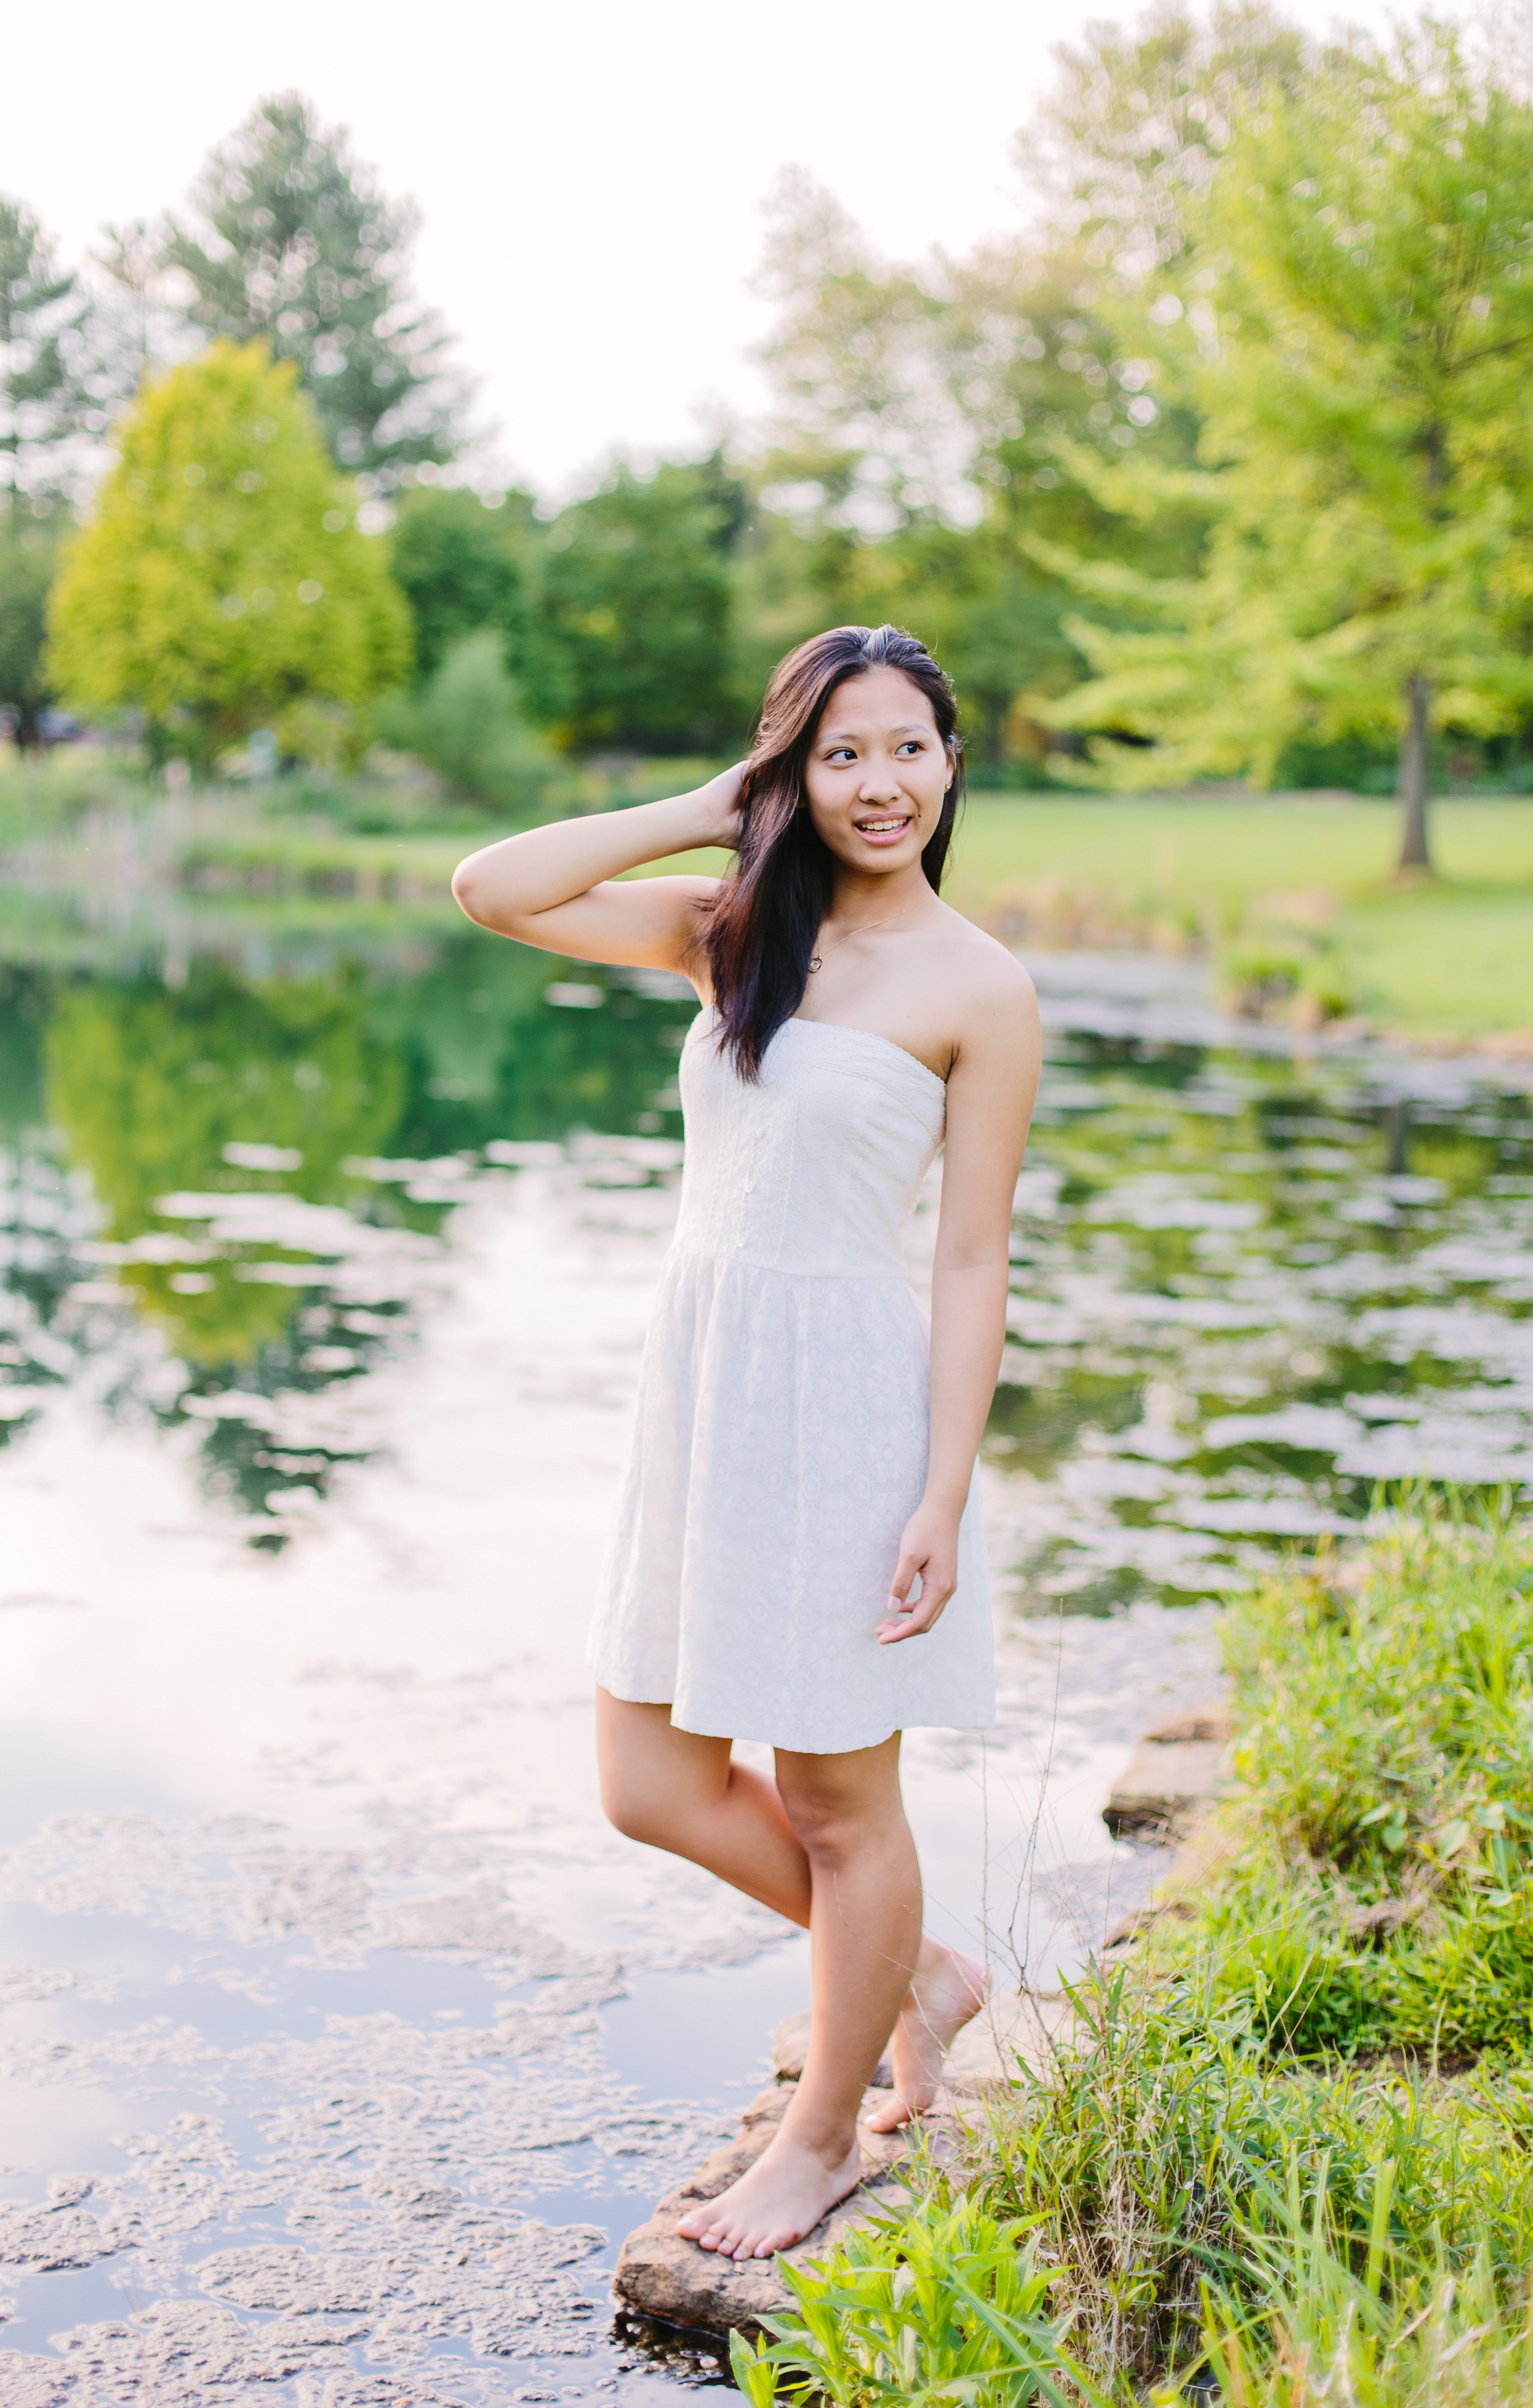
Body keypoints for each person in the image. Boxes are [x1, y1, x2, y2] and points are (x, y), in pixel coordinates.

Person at [452, 624, 1041, 2261]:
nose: (880, 784)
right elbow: (493, 888)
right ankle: (917, 1972)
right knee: (647, 1780)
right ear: (792, 768)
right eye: (839, 752)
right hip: (703, 1391)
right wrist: (714, 803)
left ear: (950, 763)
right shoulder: (736, 936)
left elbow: (971, 1258)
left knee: (840, 1804)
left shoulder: (979, 984)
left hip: (850, 1406)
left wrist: (941, 1487)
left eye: (909, 748)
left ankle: (823, 2134)